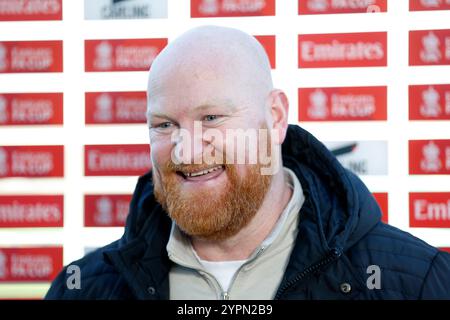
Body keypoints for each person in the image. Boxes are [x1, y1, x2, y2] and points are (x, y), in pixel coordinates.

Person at [46, 25, 450, 300]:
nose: (187, 149)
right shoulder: (82, 287)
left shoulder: (415, 282)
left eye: (212, 118)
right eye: (165, 124)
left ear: (274, 118)